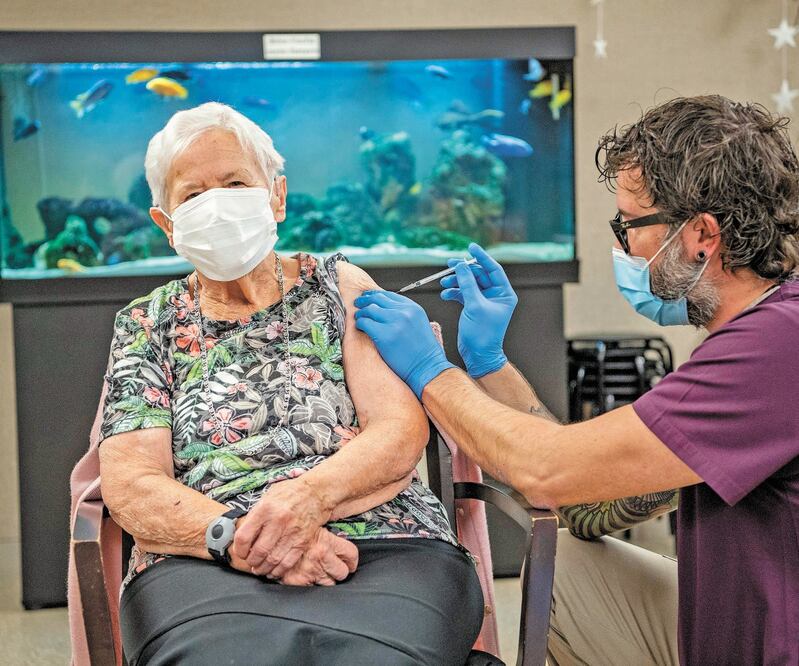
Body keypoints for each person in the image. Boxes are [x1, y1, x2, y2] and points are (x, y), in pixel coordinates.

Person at [354, 95, 799, 665]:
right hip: (735, 627)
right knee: (566, 563)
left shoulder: (774, 350)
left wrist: (430, 371)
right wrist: (489, 364)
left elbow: (549, 472)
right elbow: (592, 500)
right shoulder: (757, 334)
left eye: (630, 225)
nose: (621, 247)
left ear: (701, 236)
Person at [98, 102, 483, 665]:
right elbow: (131, 483)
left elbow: (399, 433)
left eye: (235, 183)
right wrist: (244, 541)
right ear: (166, 223)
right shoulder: (147, 322)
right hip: (204, 559)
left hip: (384, 542)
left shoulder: (340, 287)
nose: (218, 205)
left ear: (276, 196)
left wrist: (302, 501)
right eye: (194, 195)